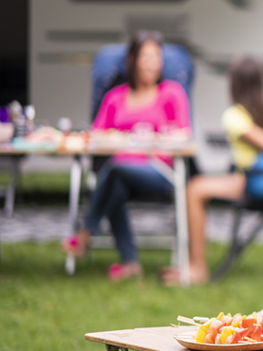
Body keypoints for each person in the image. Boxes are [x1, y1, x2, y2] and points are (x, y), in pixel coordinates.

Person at [62, 30, 191, 281]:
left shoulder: (171, 93)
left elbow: (184, 134)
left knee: (112, 172)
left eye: (157, 56)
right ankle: (130, 263)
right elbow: (97, 135)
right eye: (147, 56)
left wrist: (157, 139)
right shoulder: (116, 97)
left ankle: (86, 233)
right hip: (120, 170)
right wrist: (116, 140)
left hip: (159, 170)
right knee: (115, 180)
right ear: (132, 60)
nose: (153, 62)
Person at [161, 55, 263, 286]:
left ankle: (197, 267)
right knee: (196, 187)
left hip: (254, 180)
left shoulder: (234, 116)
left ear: (235, 84)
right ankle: (189, 262)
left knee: (194, 189)